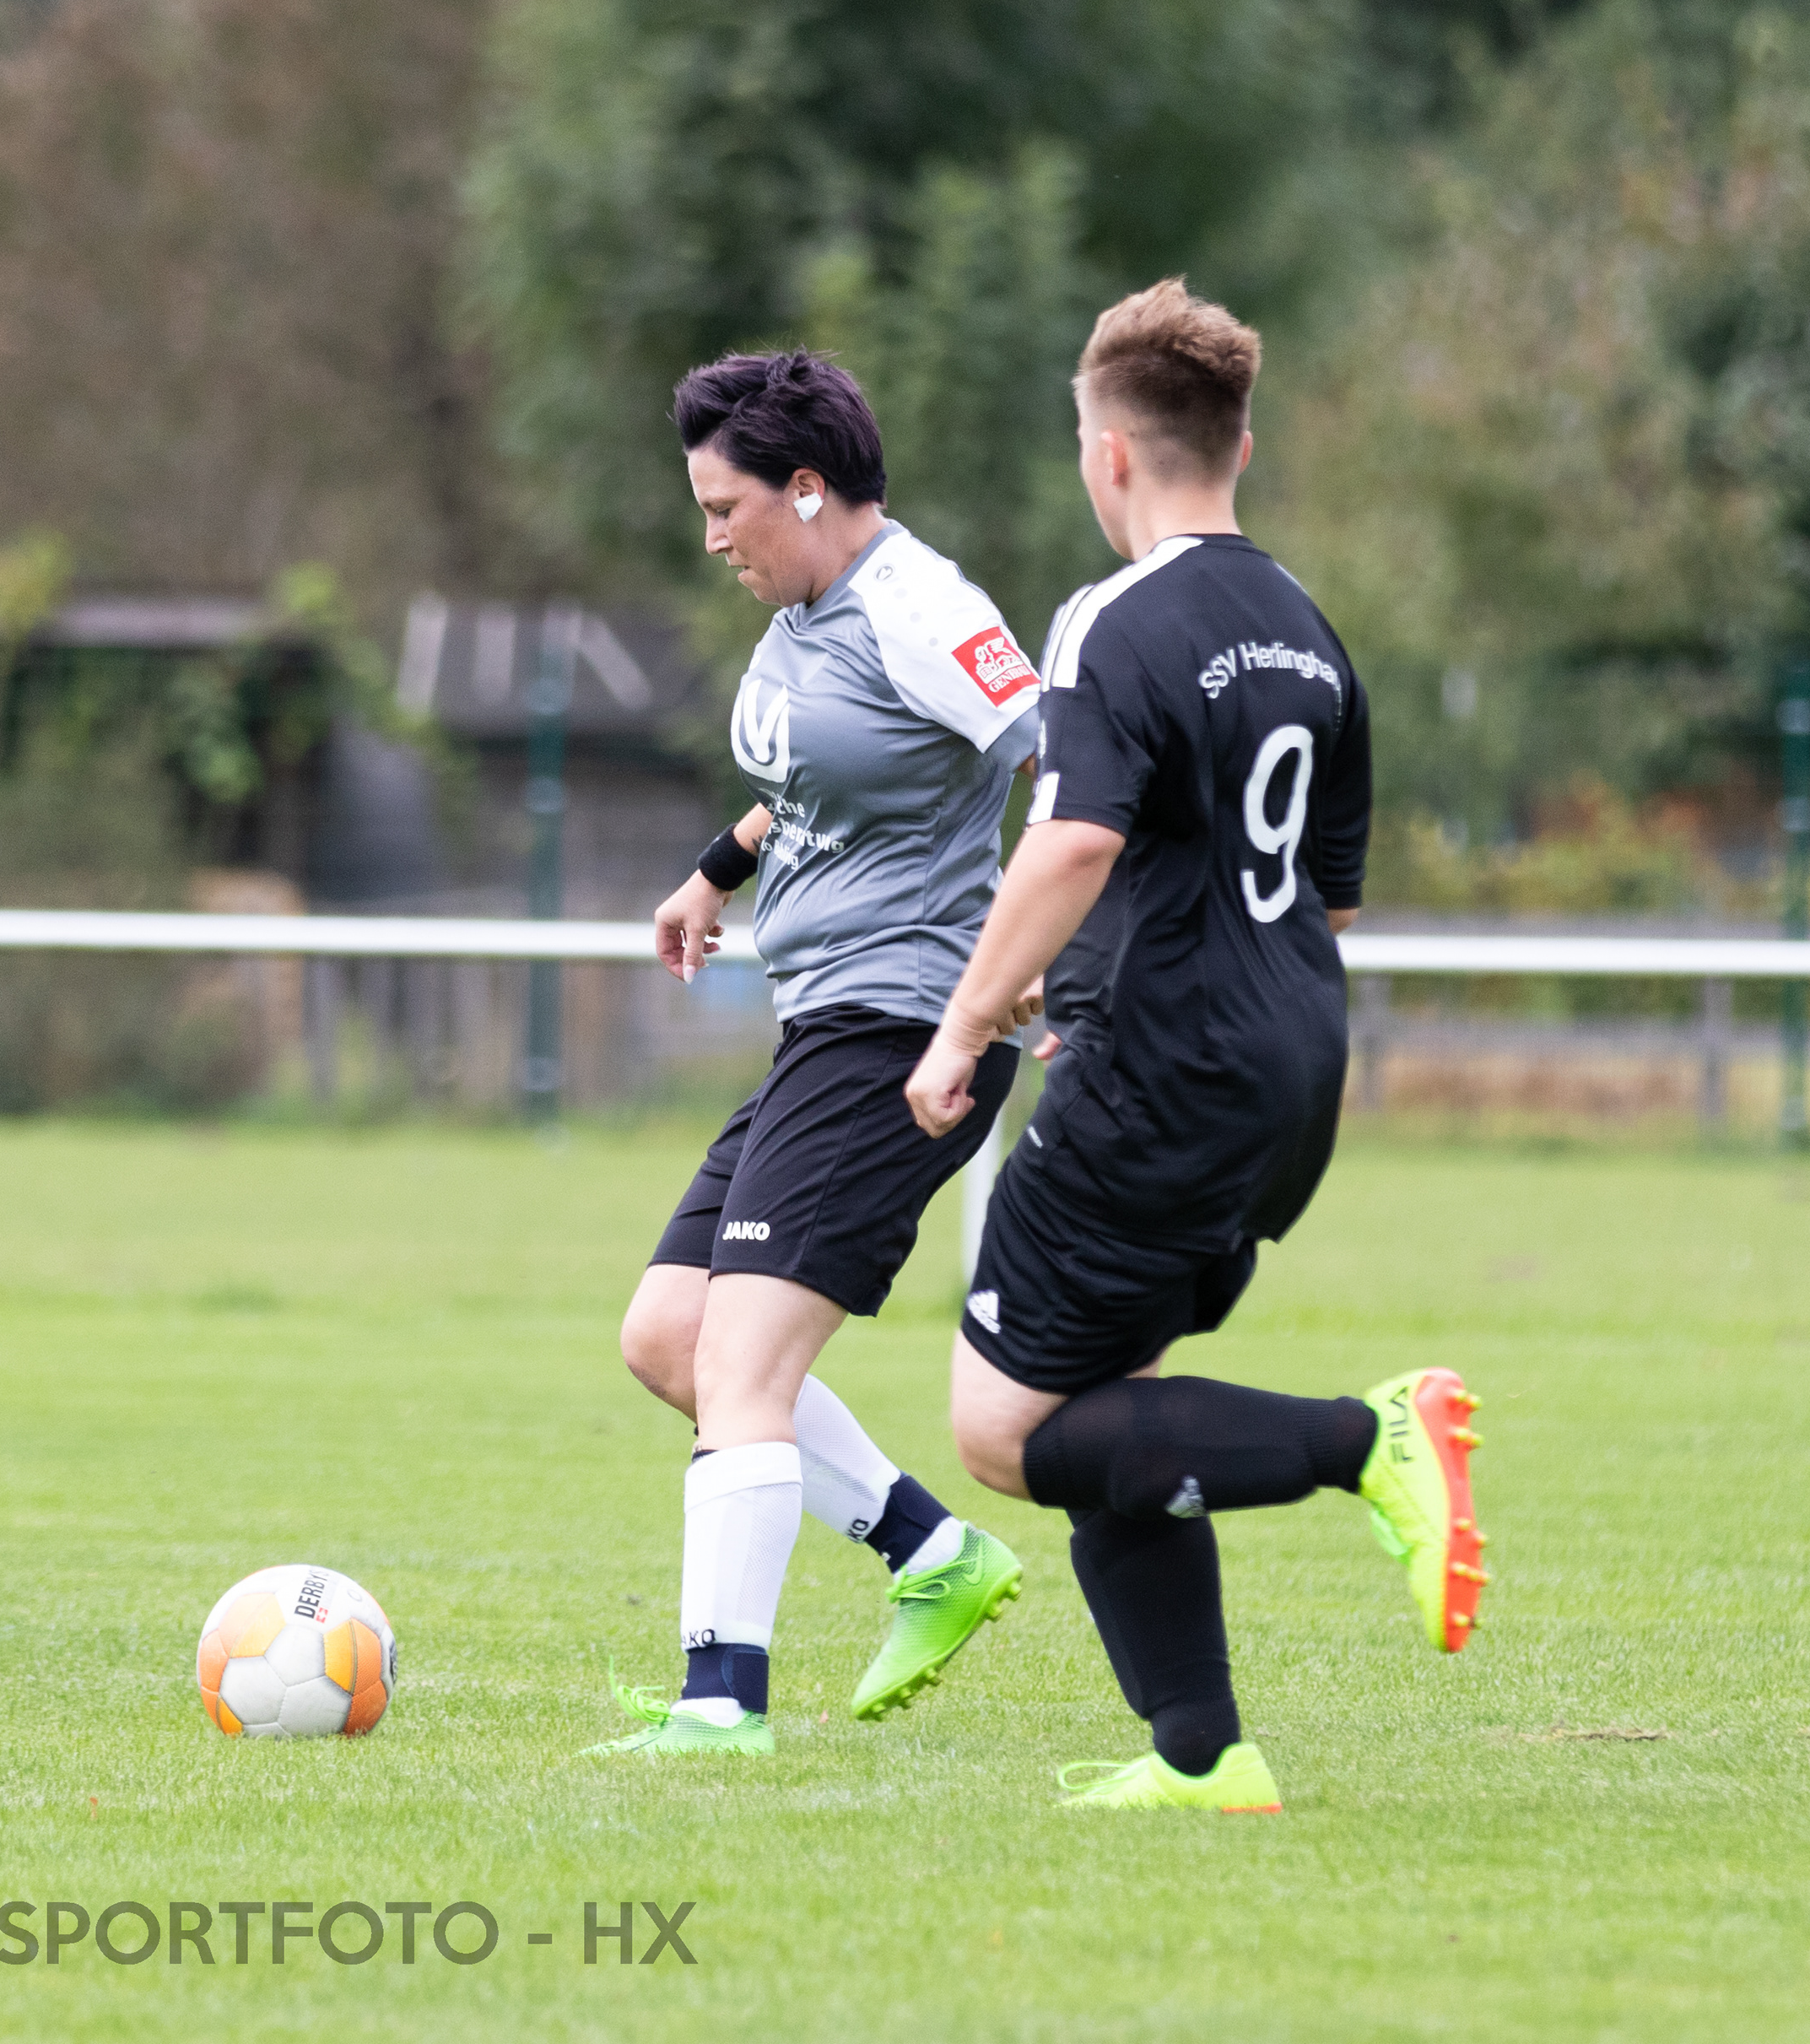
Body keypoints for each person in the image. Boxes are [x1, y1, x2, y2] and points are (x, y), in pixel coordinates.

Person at [905, 280, 1486, 1814]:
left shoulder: (1114, 617)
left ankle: (1366, 1440)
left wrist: (967, 1023)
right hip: (1290, 1063)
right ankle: (1200, 1754)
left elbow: (1075, 838)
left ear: (1108, 454)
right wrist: (1095, 978)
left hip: (1164, 1073)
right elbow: (1319, 897)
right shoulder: (1308, 630)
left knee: (1004, 1432)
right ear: (1244, 443)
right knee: (1114, 1403)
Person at [589, 351, 1046, 1758]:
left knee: (738, 1360)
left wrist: (1038, 960)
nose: (712, 539)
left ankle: (720, 1704)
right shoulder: (807, 609)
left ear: (805, 488)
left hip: (904, 1031)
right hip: (824, 1026)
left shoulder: (922, 607)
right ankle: (932, 1557)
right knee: (669, 1335)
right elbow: (817, 777)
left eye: (724, 508)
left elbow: (1075, 773)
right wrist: (714, 871)